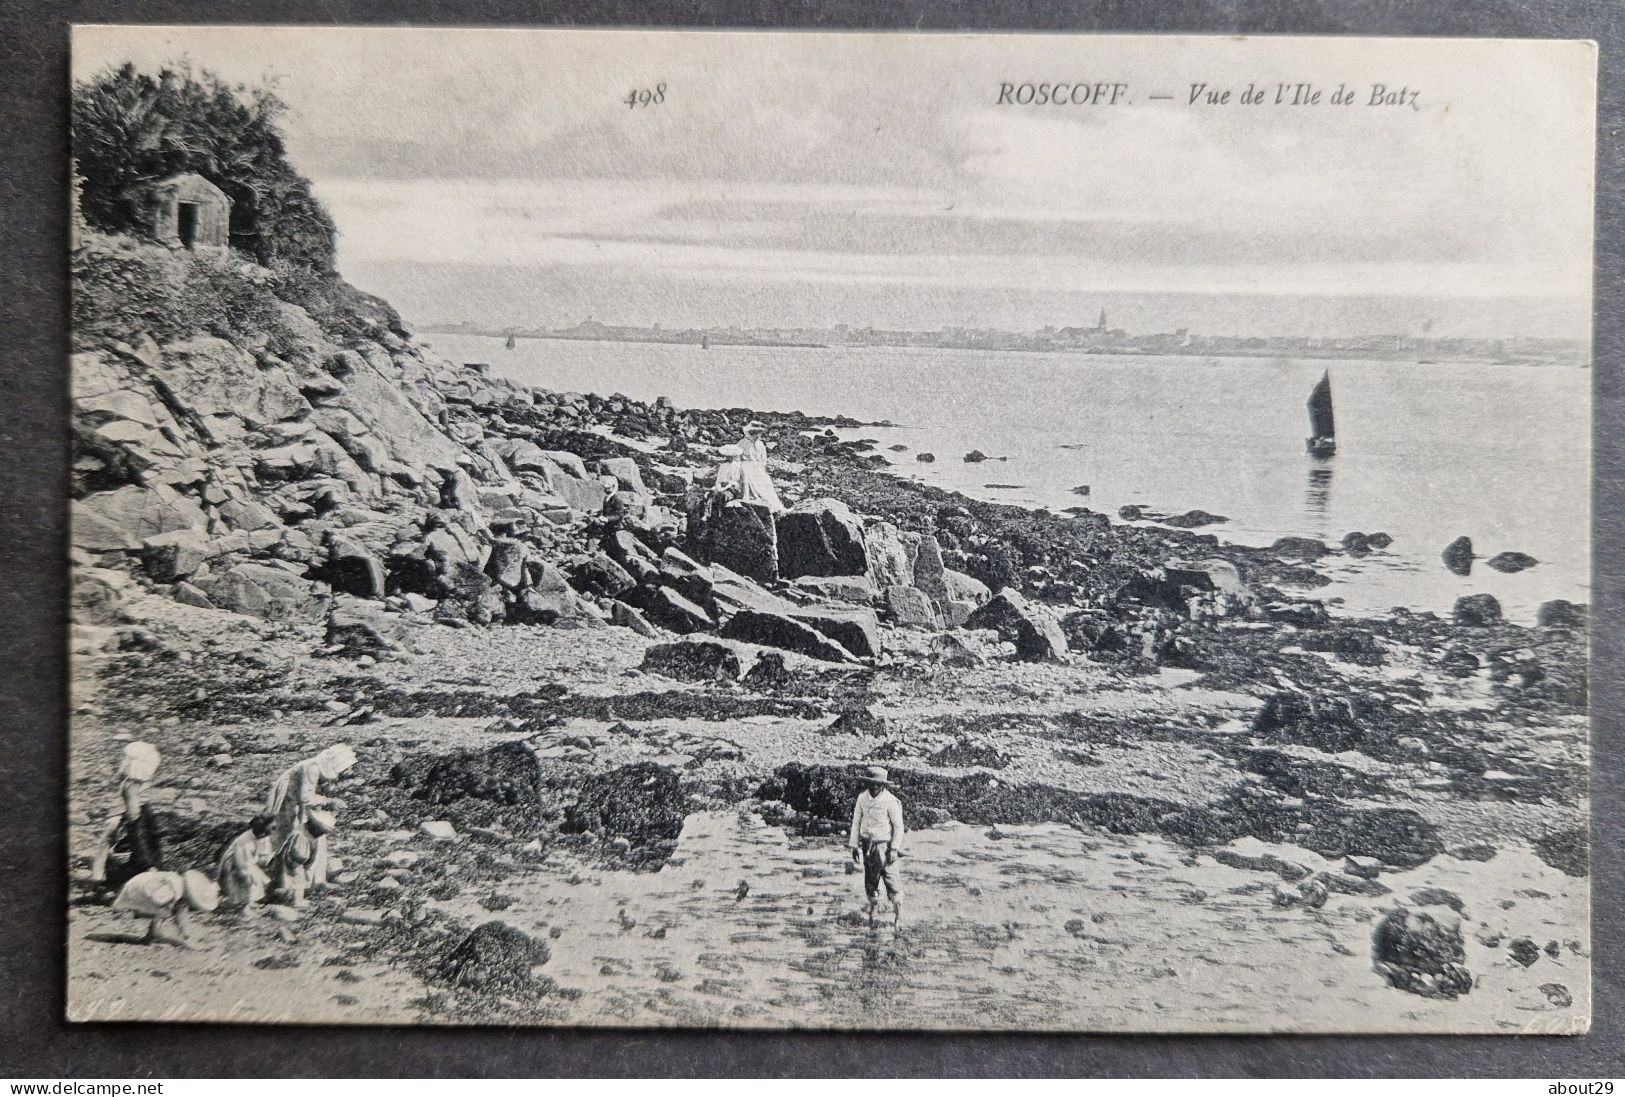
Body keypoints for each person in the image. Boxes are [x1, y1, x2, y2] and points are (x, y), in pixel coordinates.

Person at [266, 744, 355, 903]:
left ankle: (316, 880)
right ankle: (284, 883)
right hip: (290, 796)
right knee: (291, 837)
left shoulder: (323, 770)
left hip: (302, 800)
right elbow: (305, 797)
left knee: (315, 835)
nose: (349, 772)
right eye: (347, 767)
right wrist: (329, 801)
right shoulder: (313, 767)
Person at [90, 741, 164, 895]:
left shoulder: (134, 782)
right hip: (123, 817)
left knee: (108, 845)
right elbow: (132, 814)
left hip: (129, 814)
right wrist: (134, 823)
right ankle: (102, 880)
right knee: (115, 846)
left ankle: (101, 877)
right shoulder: (132, 785)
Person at [847, 765, 906, 928]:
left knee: (891, 879)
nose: (874, 787)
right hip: (867, 845)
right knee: (871, 880)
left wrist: (894, 848)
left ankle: (898, 917)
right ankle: (872, 913)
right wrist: (854, 845)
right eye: (871, 783)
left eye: (878, 784)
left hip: (884, 845)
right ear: (867, 783)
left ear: (883, 785)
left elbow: (899, 827)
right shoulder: (862, 798)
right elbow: (856, 822)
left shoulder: (890, 801)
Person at [113, 868, 219, 948]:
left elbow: (181, 914)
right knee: (166, 910)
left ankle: (155, 933)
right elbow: (157, 898)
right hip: (135, 893)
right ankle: (152, 935)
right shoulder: (173, 888)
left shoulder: (180, 887)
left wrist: (186, 935)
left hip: (147, 891)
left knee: (176, 907)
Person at [215, 813, 275, 908]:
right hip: (235, 863)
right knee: (247, 880)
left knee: (260, 879)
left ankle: (250, 900)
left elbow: (265, 851)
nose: (265, 836)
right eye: (264, 833)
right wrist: (250, 874)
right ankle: (244, 905)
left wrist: (265, 857)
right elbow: (242, 865)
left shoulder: (263, 836)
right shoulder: (243, 842)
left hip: (250, 861)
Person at [736, 421, 785, 514]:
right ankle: (756, 500)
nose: (758, 435)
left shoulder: (760, 444)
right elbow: (736, 457)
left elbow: (764, 459)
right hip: (746, 466)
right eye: (756, 433)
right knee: (749, 476)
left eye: (759, 433)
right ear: (751, 432)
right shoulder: (742, 443)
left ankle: (776, 507)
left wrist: (762, 467)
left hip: (758, 467)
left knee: (767, 482)